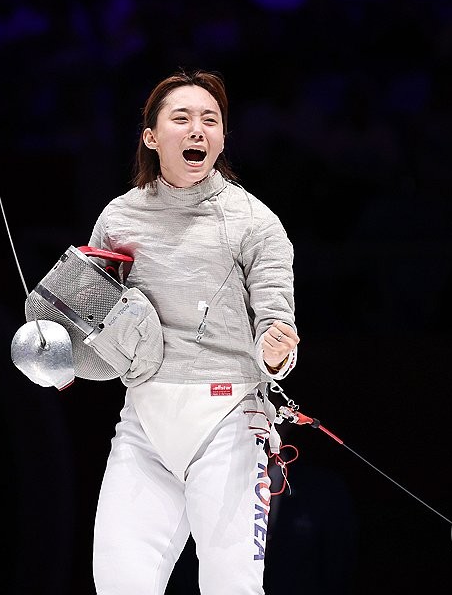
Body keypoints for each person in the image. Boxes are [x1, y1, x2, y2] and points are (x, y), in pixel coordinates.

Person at [85, 69, 300, 594]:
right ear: (152, 136)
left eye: (211, 120)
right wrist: (51, 348)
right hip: (144, 422)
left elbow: (277, 319)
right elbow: (87, 323)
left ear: (223, 137)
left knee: (232, 587)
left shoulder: (256, 222)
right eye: (181, 118)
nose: (198, 129)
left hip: (228, 422)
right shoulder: (119, 219)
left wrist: (275, 351)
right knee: (119, 583)